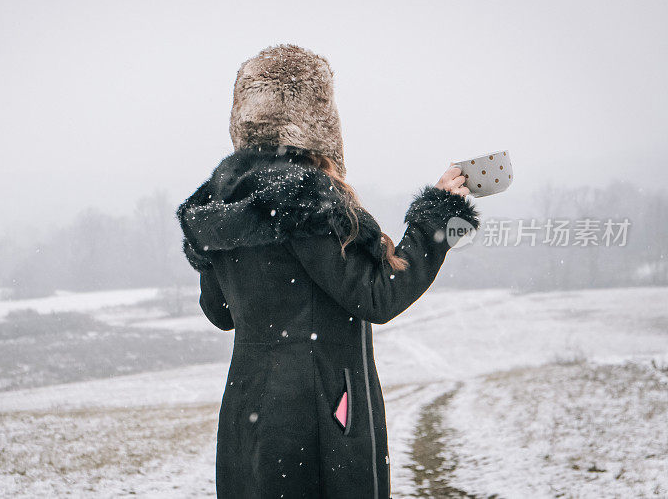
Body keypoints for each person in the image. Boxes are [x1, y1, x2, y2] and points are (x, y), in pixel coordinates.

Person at [176, 44, 480, 499]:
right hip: (320, 417)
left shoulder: (221, 202)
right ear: (319, 122)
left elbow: (220, 312)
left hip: (249, 413)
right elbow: (378, 296)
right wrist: (438, 219)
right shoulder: (303, 198)